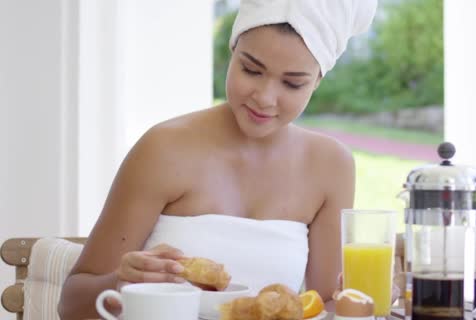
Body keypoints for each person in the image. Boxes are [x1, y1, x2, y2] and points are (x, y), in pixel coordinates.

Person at [58, 0, 378, 318]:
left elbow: (327, 304)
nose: (265, 98)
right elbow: (71, 306)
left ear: (318, 80)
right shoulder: (164, 148)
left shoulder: (330, 166)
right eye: (251, 70)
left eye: (292, 83)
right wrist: (120, 282)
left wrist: (371, 298)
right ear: (233, 50)